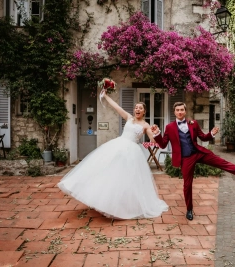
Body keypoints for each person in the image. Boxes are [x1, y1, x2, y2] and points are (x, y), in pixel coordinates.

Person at [57, 89, 168, 219]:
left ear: (144, 111)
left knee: (128, 179)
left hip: (132, 152)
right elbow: (116, 107)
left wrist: (156, 132)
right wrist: (106, 96)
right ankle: (105, 201)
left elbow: (154, 140)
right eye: (136, 107)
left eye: (140, 108)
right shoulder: (129, 118)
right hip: (118, 146)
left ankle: (124, 206)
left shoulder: (145, 125)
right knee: (109, 173)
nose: (137, 109)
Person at [151, 102, 235, 221]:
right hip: (185, 158)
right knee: (187, 185)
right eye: (177, 110)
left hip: (198, 153)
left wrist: (211, 134)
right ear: (174, 112)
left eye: (182, 110)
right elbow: (162, 145)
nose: (180, 112)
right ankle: (189, 209)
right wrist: (157, 133)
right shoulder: (169, 127)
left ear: (185, 111)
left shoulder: (193, 123)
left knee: (222, 162)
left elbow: (203, 137)